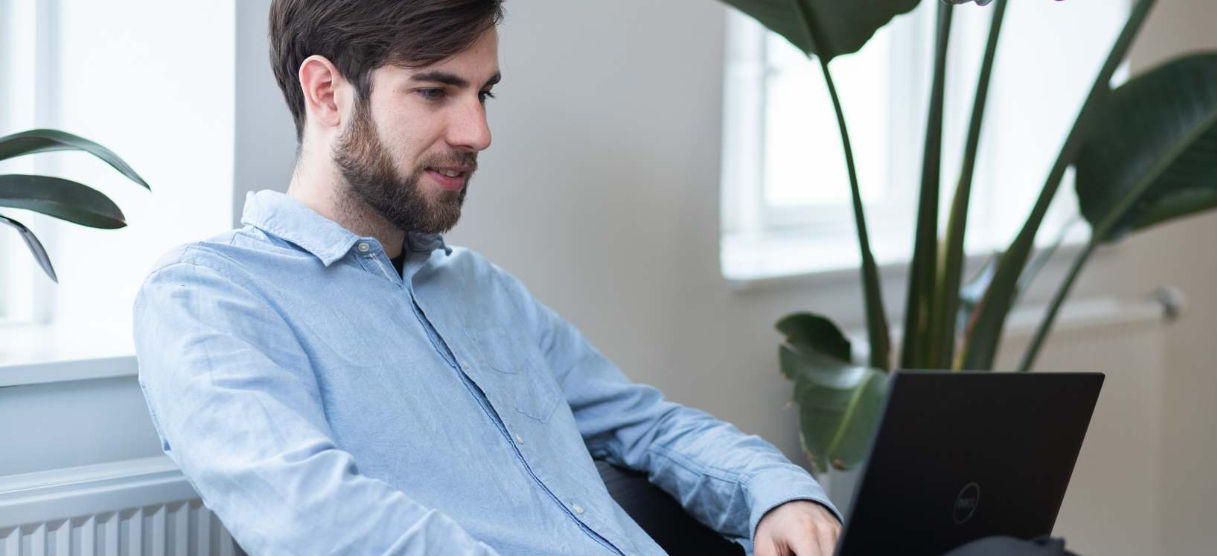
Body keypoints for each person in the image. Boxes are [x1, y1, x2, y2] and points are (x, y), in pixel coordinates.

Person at [132, 1, 841, 555]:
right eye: (436, 92)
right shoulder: (208, 298)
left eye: (483, 95)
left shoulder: (483, 292)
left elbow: (649, 427)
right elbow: (314, 519)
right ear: (326, 93)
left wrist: (776, 492)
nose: (477, 132)